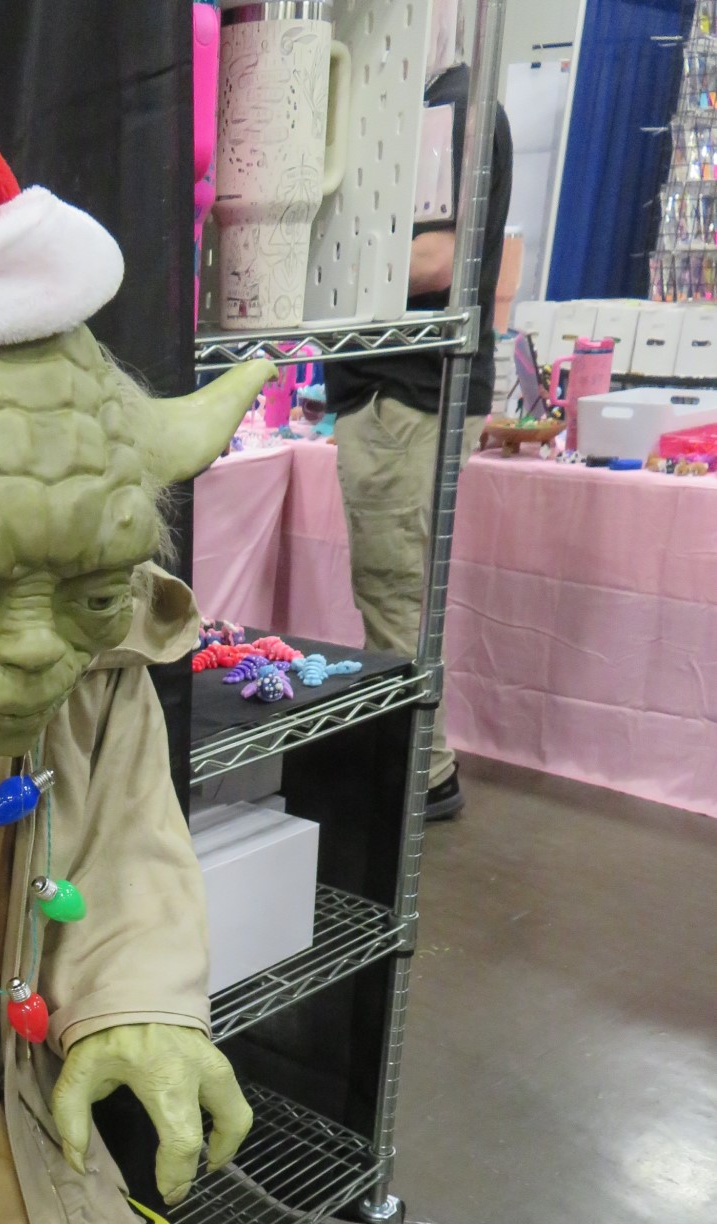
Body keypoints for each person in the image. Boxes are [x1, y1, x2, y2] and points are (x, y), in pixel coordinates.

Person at [327, 41, 513, 822]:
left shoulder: (451, 106)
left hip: (407, 391)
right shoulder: (438, 105)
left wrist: (322, 260)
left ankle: (421, 772)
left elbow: (435, 259)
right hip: (400, 390)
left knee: (395, 591)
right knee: (396, 590)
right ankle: (416, 764)